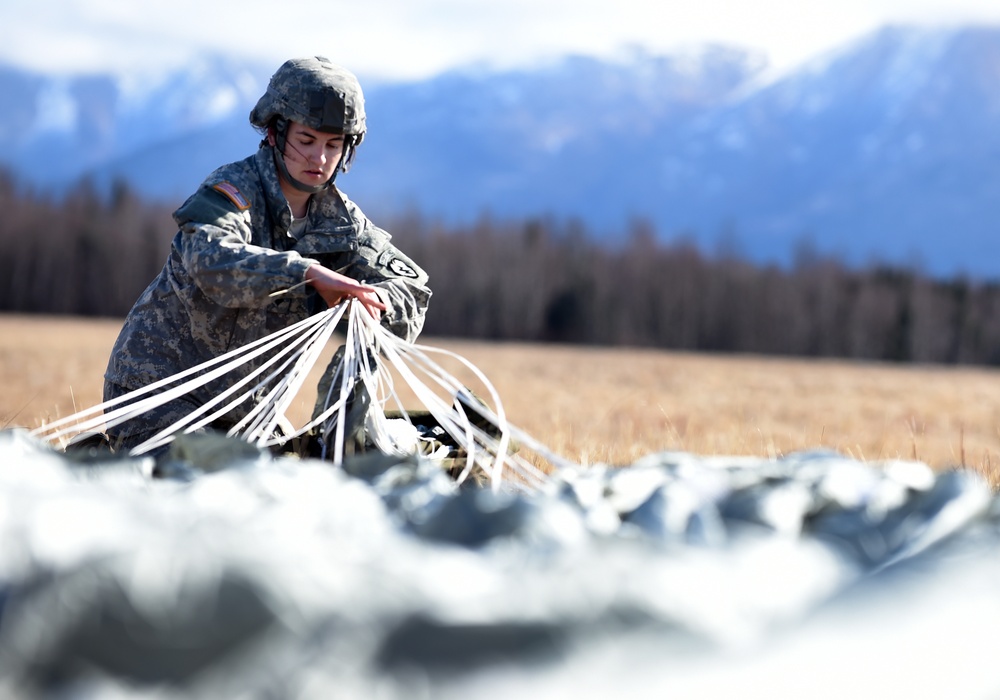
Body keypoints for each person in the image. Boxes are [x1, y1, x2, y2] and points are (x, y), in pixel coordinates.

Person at [103, 56, 431, 456]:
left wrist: (373, 310)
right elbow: (212, 260)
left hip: (250, 416)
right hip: (159, 396)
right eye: (307, 141)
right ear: (276, 133)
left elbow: (411, 288)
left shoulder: (341, 223)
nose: (320, 159)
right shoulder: (233, 190)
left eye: (333, 145)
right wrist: (308, 274)